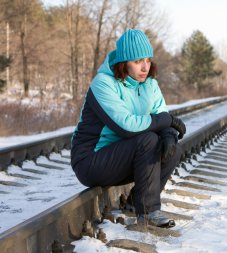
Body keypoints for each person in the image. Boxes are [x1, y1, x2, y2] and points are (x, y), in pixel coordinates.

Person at [70, 29, 186, 228]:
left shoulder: (150, 85)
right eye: (137, 61)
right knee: (148, 140)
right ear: (124, 62)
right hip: (91, 161)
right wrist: (166, 121)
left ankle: (135, 203)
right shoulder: (103, 84)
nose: (145, 67)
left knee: (171, 147)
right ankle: (148, 213)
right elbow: (127, 127)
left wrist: (168, 134)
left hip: (123, 158)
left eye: (148, 60)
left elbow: (161, 115)